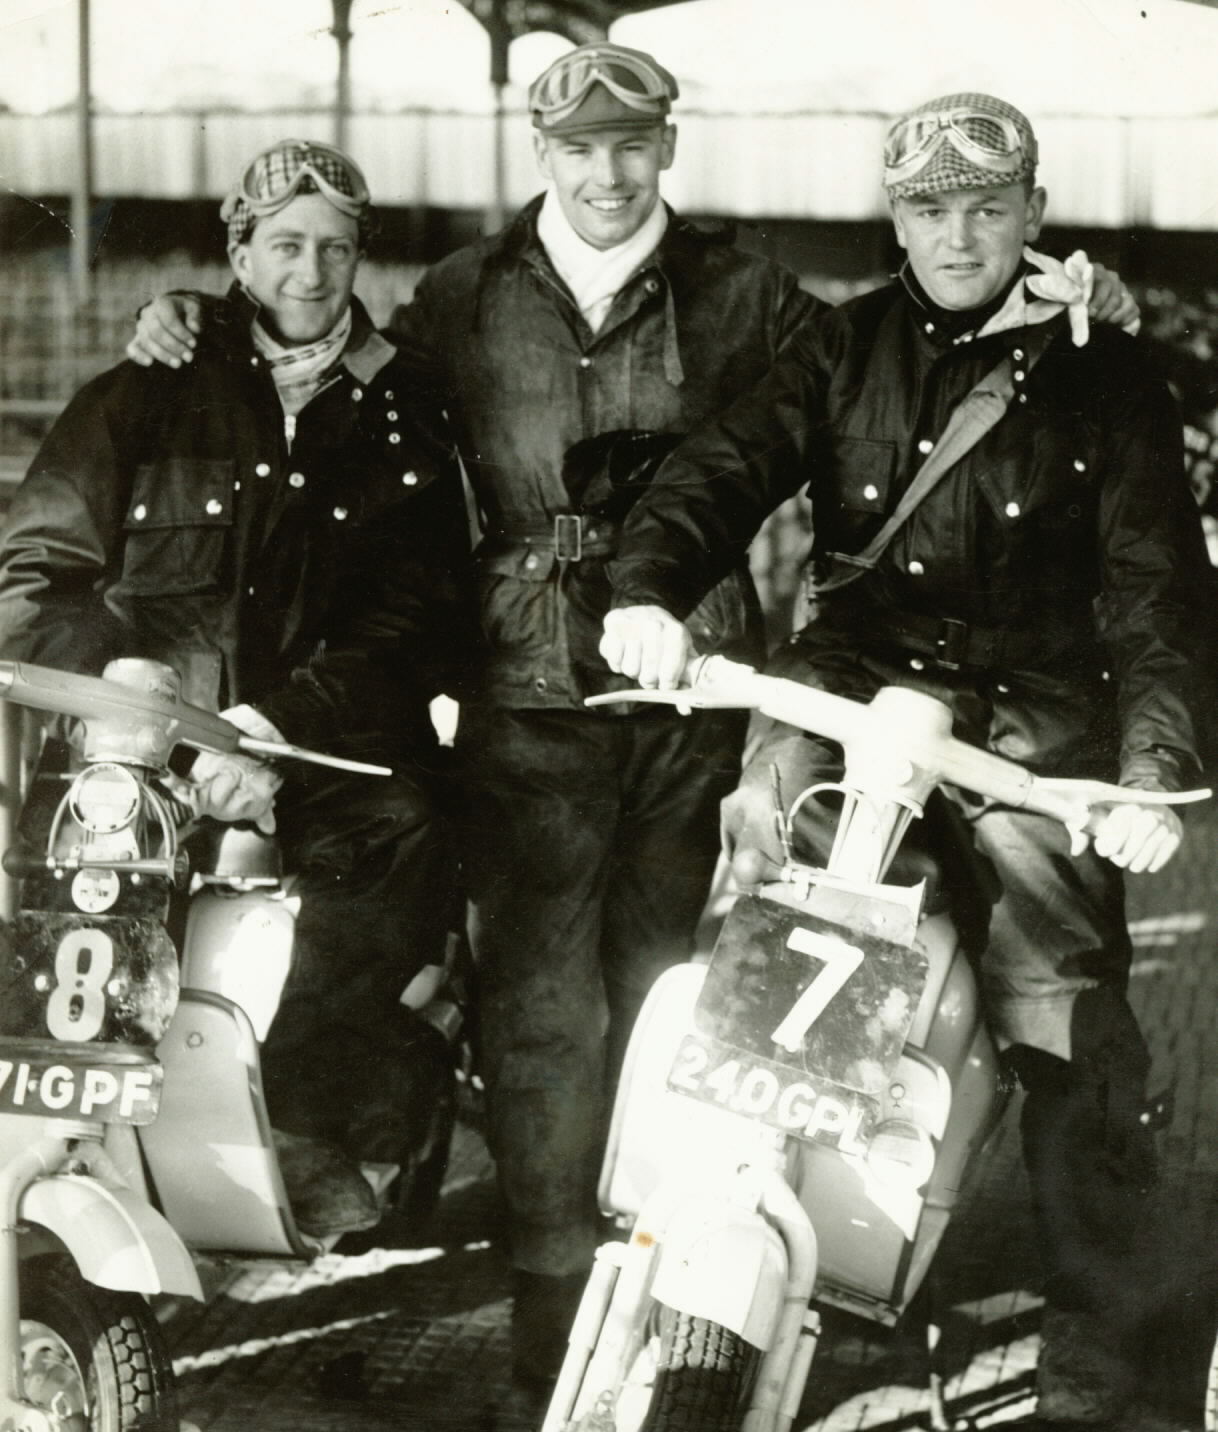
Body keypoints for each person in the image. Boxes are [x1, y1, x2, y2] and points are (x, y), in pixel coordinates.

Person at [126, 60, 1142, 1401]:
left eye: (629, 145)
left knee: (684, 989)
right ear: (540, 152)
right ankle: (555, 1307)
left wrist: (1085, 305)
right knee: (540, 1009)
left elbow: (909, 352)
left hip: (691, 700)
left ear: (667, 146)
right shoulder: (464, 293)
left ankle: (699, 1287)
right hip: (528, 697)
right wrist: (199, 320)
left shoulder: (750, 293)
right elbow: (330, 355)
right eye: (577, 148)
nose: (604, 175)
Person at [600, 94, 1210, 1431]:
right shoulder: (840, 345)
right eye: (930, 210)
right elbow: (718, 472)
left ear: (1033, 212)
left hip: (1034, 717)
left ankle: (1106, 1354)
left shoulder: (1106, 376)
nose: (960, 236)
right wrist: (646, 591)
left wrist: (1148, 776)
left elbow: (1154, 585)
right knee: (771, 902)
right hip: (854, 686)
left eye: (988, 208)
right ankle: (725, 1236)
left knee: (1061, 1009)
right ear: (896, 219)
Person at [0, 139, 471, 1240]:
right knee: (56, 864)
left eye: (337, 249)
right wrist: (128, 692)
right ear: (240, 252)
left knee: (409, 833)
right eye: (287, 245)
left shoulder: (404, 411)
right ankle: (49, 1127)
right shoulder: (144, 393)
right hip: (141, 744)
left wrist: (271, 730)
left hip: (314, 744)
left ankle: (299, 1114)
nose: (312, 272)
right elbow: (32, 581)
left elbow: (414, 623)